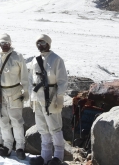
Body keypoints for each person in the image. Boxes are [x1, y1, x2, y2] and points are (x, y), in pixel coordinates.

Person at [0, 33, 29, 159]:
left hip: (15, 92)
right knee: (3, 121)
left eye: (6, 43)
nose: (4, 45)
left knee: (17, 121)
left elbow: (24, 76)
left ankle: (20, 147)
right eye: (2, 43)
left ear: (10, 43)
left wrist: (26, 92)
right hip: (0, 93)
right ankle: (7, 146)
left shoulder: (17, 57)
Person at [28, 34, 68, 165]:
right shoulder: (35, 60)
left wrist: (58, 98)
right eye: (38, 43)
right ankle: (45, 156)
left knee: (55, 128)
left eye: (43, 43)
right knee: (42, 128)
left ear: (48, 44)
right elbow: (31, 80)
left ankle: (58, 157)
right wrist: (31, 97)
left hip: (51, 98)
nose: (41, 46)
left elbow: (62, 81)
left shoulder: (56, 60)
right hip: (37, 99)